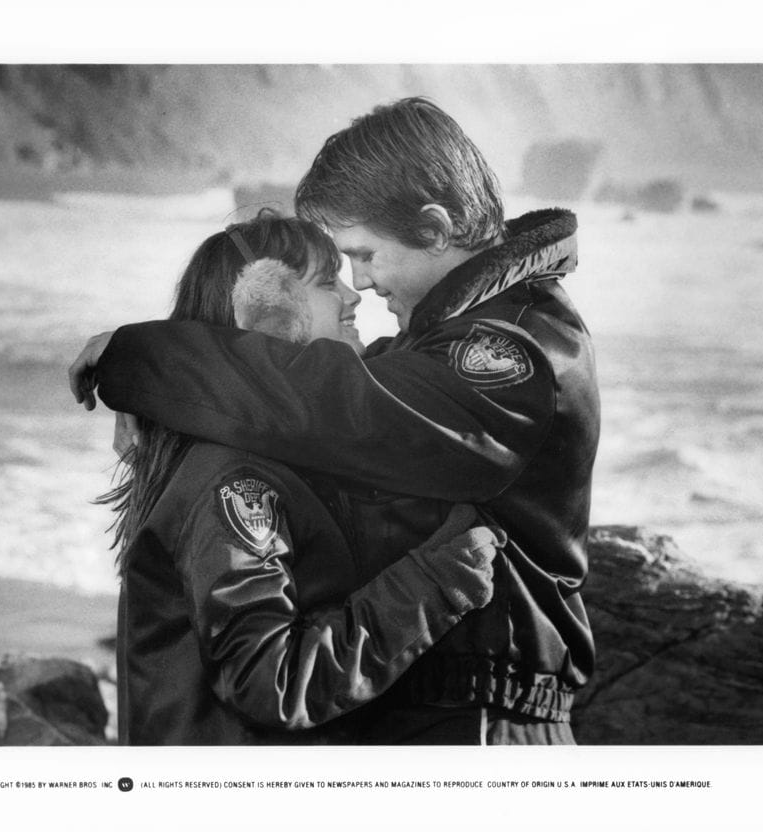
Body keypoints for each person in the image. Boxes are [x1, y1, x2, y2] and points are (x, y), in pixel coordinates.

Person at [70, 98, 600, 744]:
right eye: (336, 272)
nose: (360, 286)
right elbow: (325, 395)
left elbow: (339, 402)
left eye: (366, 255)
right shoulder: (440, 352)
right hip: (447, 715)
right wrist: (157, 392)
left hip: (485, 724)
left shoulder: (508, 353)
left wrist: (145, 362)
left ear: (434, 228)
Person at [101, 211, 505, 745]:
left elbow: (392, 382)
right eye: (324, 282)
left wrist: (136, 360)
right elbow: (271, 682)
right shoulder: (237, 480)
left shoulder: (270, 452)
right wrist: (435, 583)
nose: (353, 295)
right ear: (264, 313)